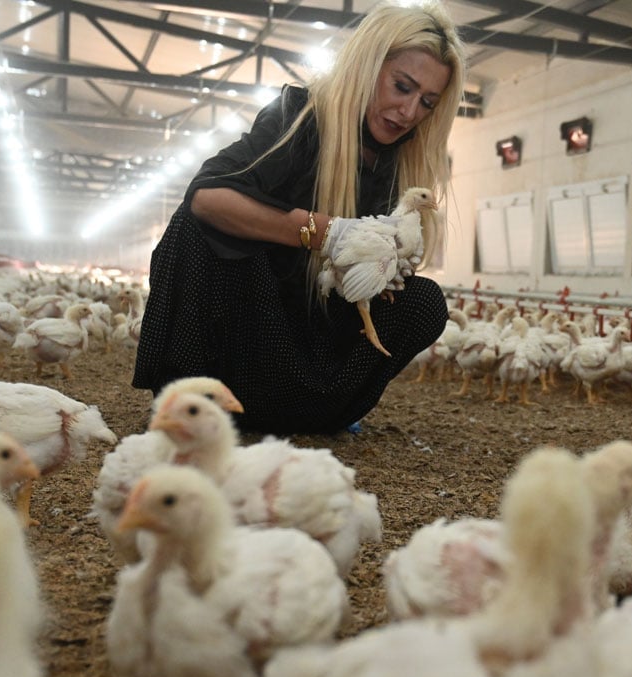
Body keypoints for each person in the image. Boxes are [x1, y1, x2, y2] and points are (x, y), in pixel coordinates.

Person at [132, 0, 465, 435]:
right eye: (402, 86)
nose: (409, 112)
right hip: (249, 334)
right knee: (197, 228)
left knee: (423, 303)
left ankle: (328, 407)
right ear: (367, 66)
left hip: (308, 355)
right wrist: (326, 234)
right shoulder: (300, 117)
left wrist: (385, 272)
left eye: (427, 102)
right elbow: (207, 199)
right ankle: (194, 397)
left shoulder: (401, 169)